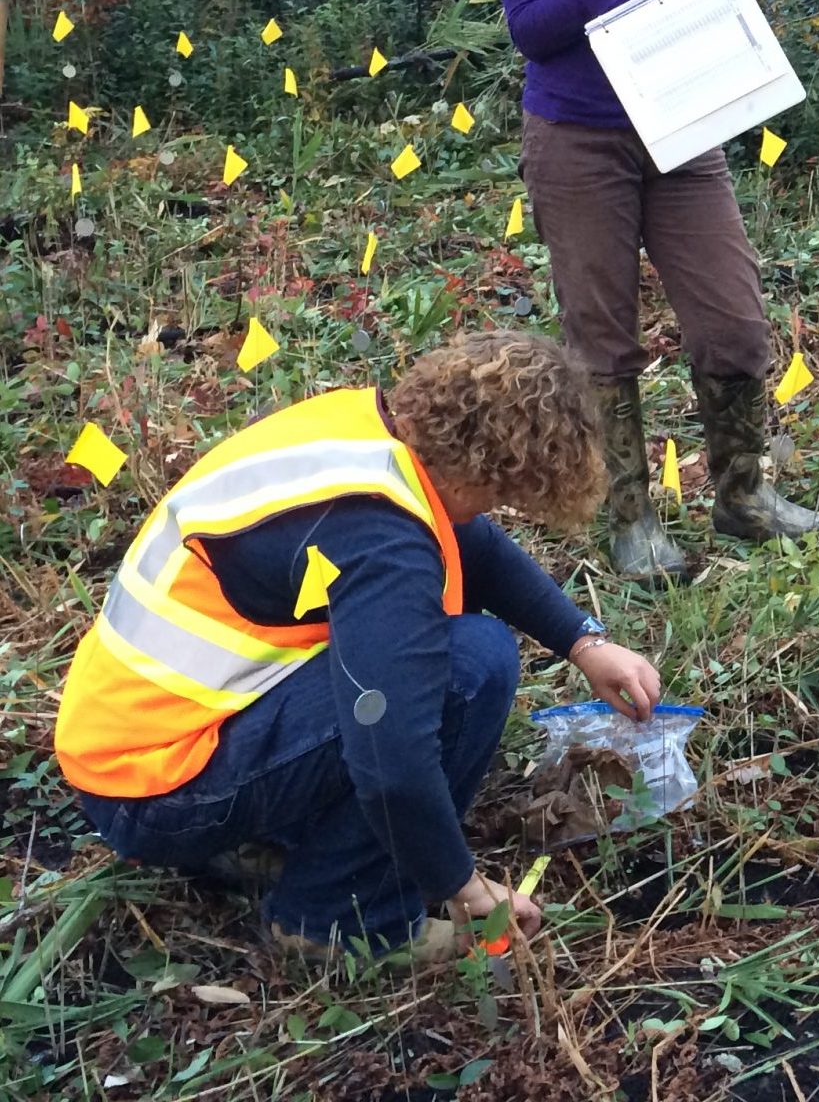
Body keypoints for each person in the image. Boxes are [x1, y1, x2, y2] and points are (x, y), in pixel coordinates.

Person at [55, 330, 662, 958]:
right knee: (471, 666)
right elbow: (393, 765)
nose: (502, 509)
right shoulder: (384, 546)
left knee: (433, 660)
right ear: (494, 471)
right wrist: (467, 889)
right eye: (506, 495)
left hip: (124, 748)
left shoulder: (366, 436)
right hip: (161, 790)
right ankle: (338, 915)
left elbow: (473, 545)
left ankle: (278, 836)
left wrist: (585, 643)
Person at [488, 0, 819, 581]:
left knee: (734, 317)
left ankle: (744, 494)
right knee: (601, 336)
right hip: (577, 140)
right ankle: (631, 524)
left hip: (679, 133)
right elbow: (531, 32)